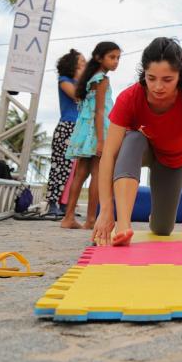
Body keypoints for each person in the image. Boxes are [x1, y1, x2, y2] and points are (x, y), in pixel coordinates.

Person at [93, 37, 182, 246]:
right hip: (144, 148)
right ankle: (123, 226)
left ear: (180, 76)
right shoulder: (129, 98)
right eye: (151, 78)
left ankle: (156, 217)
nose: (158, 86)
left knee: (162, 229)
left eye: (167, 79)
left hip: (173, 159)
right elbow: (109, 155)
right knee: (132, 137)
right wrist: (105, 210)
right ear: (144, 74)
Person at [61, 41, 121, 230]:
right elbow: (99, 111)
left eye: (118, 58)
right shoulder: (101, 79)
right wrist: (102, 140)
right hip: (97, 131)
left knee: (80, 173)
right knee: (98, 174)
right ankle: (91, 220)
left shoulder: (89, 78)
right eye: (112, 57)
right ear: (98, 58)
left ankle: (68, 217)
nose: (116, 61)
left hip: (84, 130)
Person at [44, 49, 85, 218]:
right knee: (60, 166)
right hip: (67, 126)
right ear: (73, 64)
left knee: (75, 169)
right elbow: (77, 96)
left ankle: (66, 204)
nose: (85, 64)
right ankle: (52, 202)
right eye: (81, 61)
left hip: (80, 128)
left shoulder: (84, 83)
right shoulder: (64, 80)